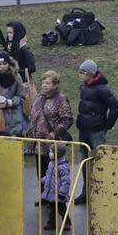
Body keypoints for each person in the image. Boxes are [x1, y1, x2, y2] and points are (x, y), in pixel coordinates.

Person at [74, 60, 118, 205]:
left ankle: (101, 193)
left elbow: (115, 107)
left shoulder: (102, 89)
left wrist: (108, 125)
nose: (80, 75)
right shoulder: (84, 86)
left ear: (90, 74)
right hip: (84, 130)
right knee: (85, 162)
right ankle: (86, 193)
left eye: (83, 73)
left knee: (99, 162)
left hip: (97, 132)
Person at [26, 71, 73, 206]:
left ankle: (55, 200)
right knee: (41, 171)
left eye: (48, 83)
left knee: (53, 173)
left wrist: (54, 133)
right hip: (38, 143)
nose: (44, 85)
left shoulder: (61, 99)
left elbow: (67, 119)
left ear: (55, 84)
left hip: (52, 144)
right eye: (43, 82)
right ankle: (44, 196)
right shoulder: (39, 97)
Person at [42, 144, 72, 231]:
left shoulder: (63, 166)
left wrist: (62, 193)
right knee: (52, 210)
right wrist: (44, 180)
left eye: (51, 152)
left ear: (57, 153)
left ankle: (66, 223)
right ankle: (51, 223)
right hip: (51, 192)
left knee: (62, 209)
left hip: (59, 193)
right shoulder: (51, 163)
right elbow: (49, 174)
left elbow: (66, 181)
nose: (49, 153)